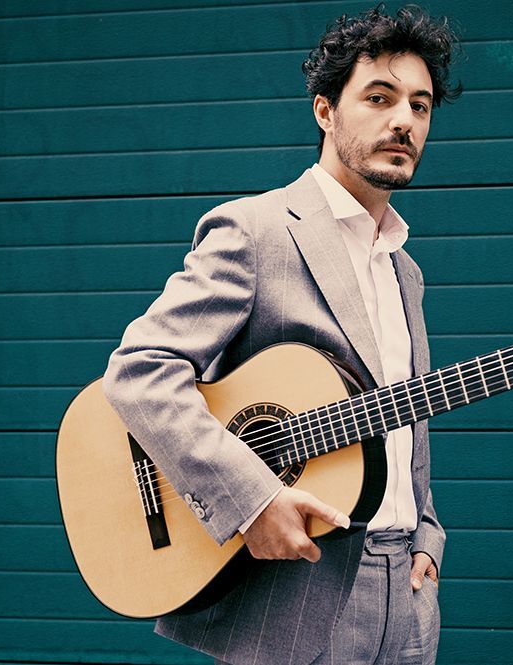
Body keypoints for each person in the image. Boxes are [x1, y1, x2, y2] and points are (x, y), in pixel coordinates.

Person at [103, 5, 461, 664]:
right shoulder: (257, 231)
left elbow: (405, 417)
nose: (404, 121)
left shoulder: (404, 269)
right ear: (325, 110)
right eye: (379, 98)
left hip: (407, 601)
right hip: (298, 600)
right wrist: (252, 499)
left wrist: (426, 541)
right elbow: (140, 371)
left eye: (420, 105)